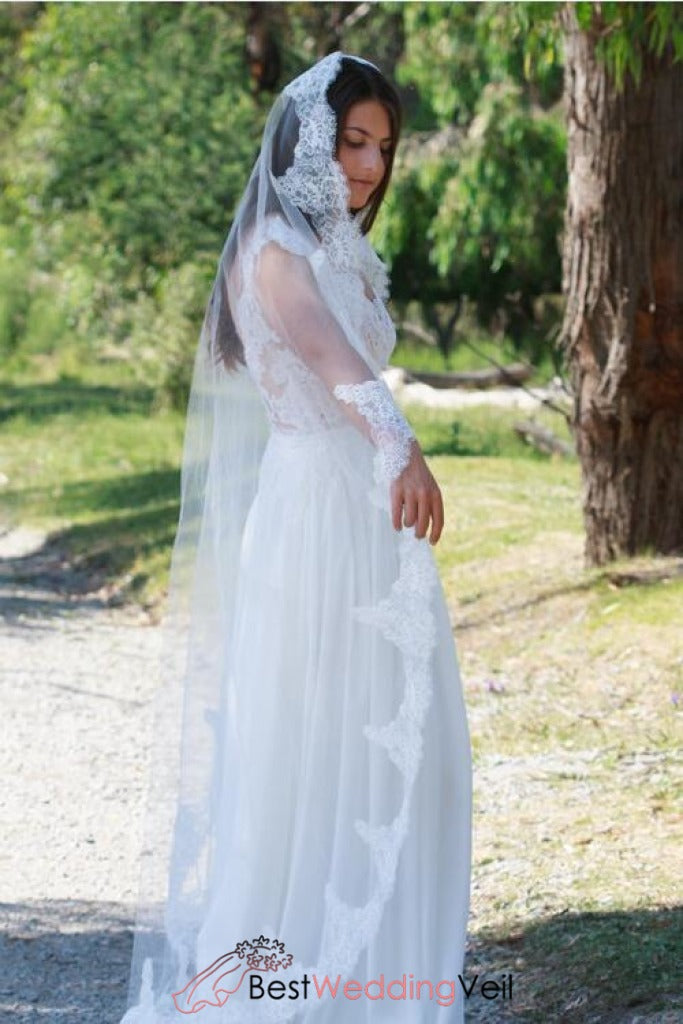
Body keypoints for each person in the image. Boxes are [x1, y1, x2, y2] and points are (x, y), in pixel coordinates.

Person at [119, 51, 471, 1024]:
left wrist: (390, 463)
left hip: (357, 513)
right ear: (306, 137)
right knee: (320, 746)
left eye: (383, 147)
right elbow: (326, 355)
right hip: (319, 512)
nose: (367, 165)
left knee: (399, 743)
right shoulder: (274, 248)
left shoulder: (333, 244)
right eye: (352, 140)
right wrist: (401, 448)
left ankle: (385, 976)